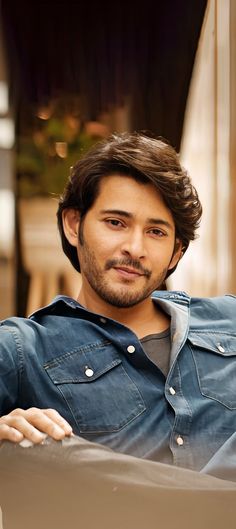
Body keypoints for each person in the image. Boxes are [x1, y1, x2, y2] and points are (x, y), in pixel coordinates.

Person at [0, 132, 236, 476]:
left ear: (176, 253)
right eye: (116, 223)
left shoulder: (228, 320)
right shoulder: (23, 349)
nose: (135, 248)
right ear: (73, 224)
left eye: (156, 232)